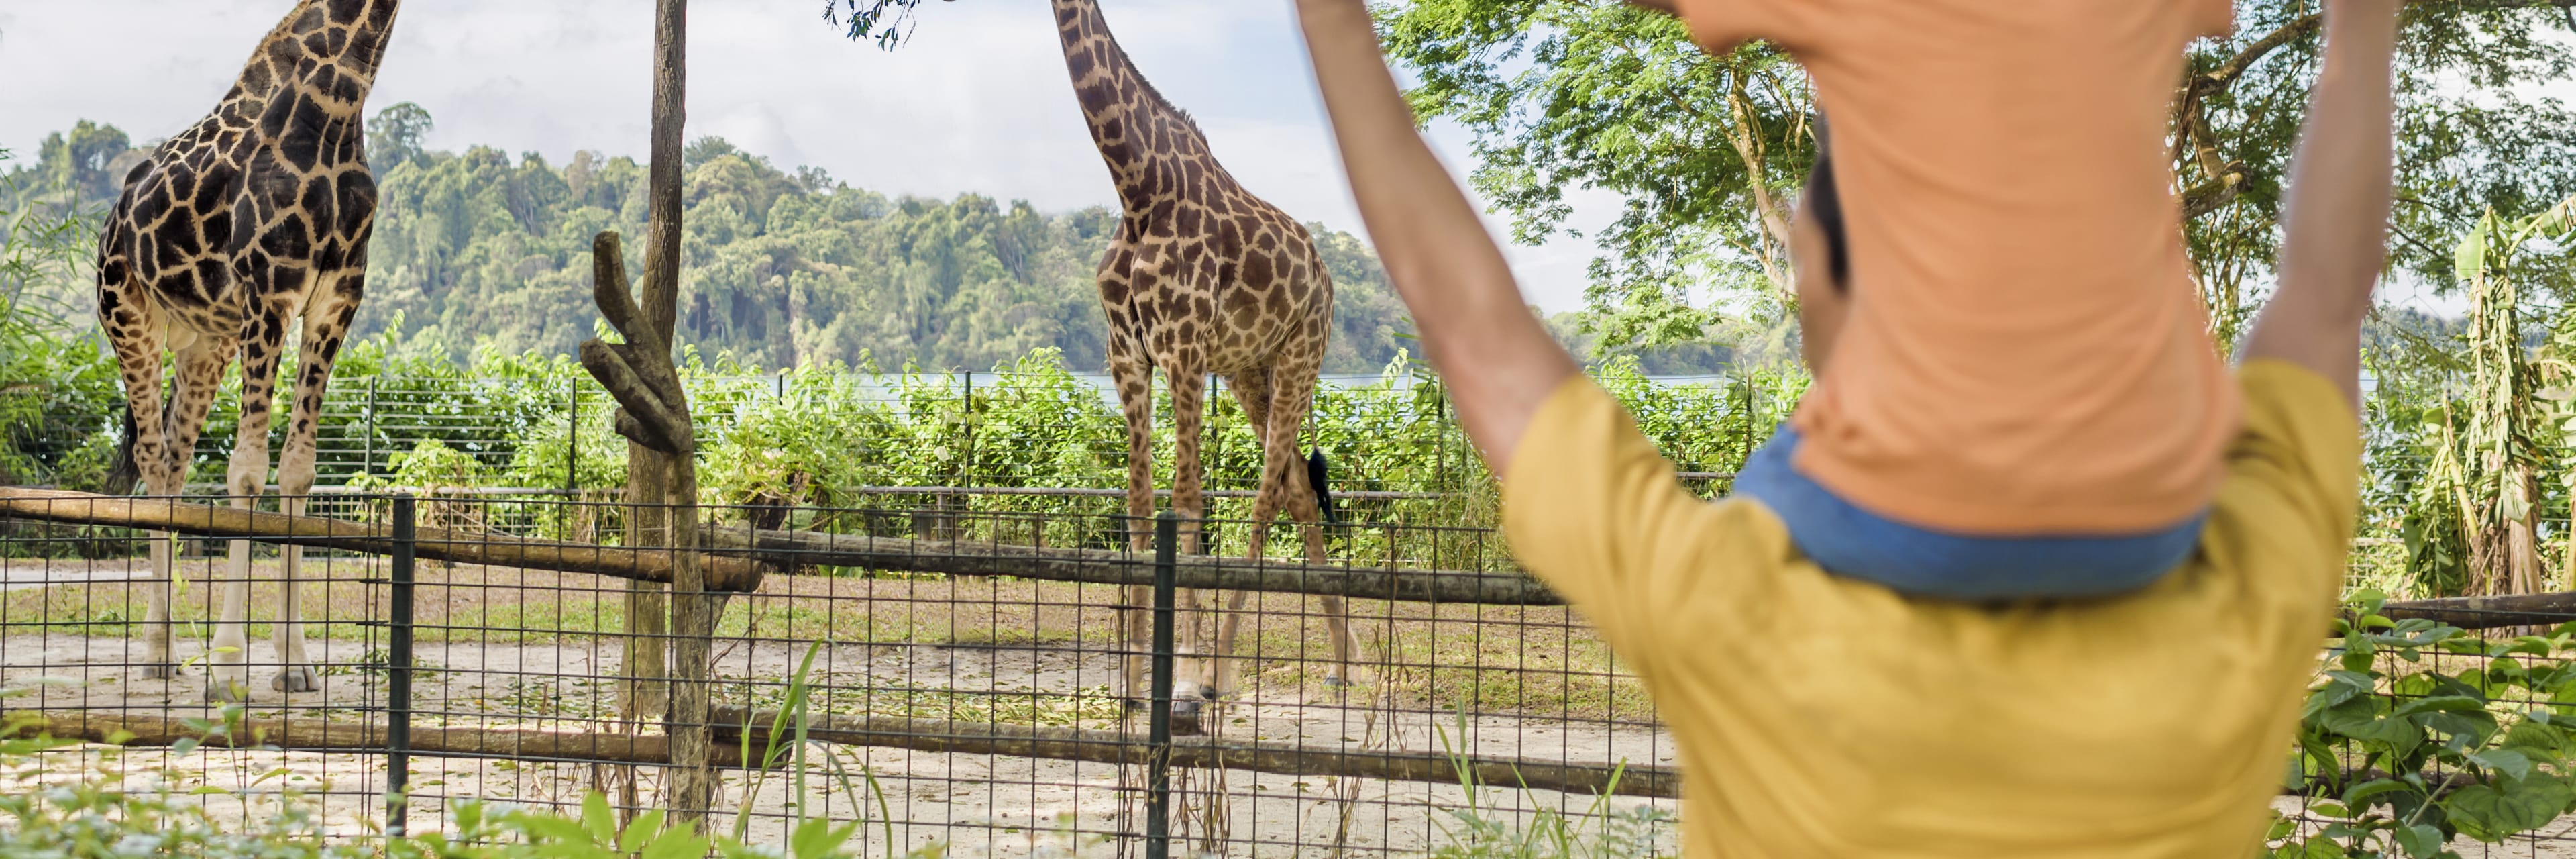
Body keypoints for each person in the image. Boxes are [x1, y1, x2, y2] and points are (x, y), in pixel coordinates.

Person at [1293, 0, 2397, 852]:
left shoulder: (1741, 617)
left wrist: (1329, 18)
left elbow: (1468, 322)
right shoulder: (2238, 610)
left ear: (1832, 283)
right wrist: (2366, 22)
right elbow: (2325, 298)